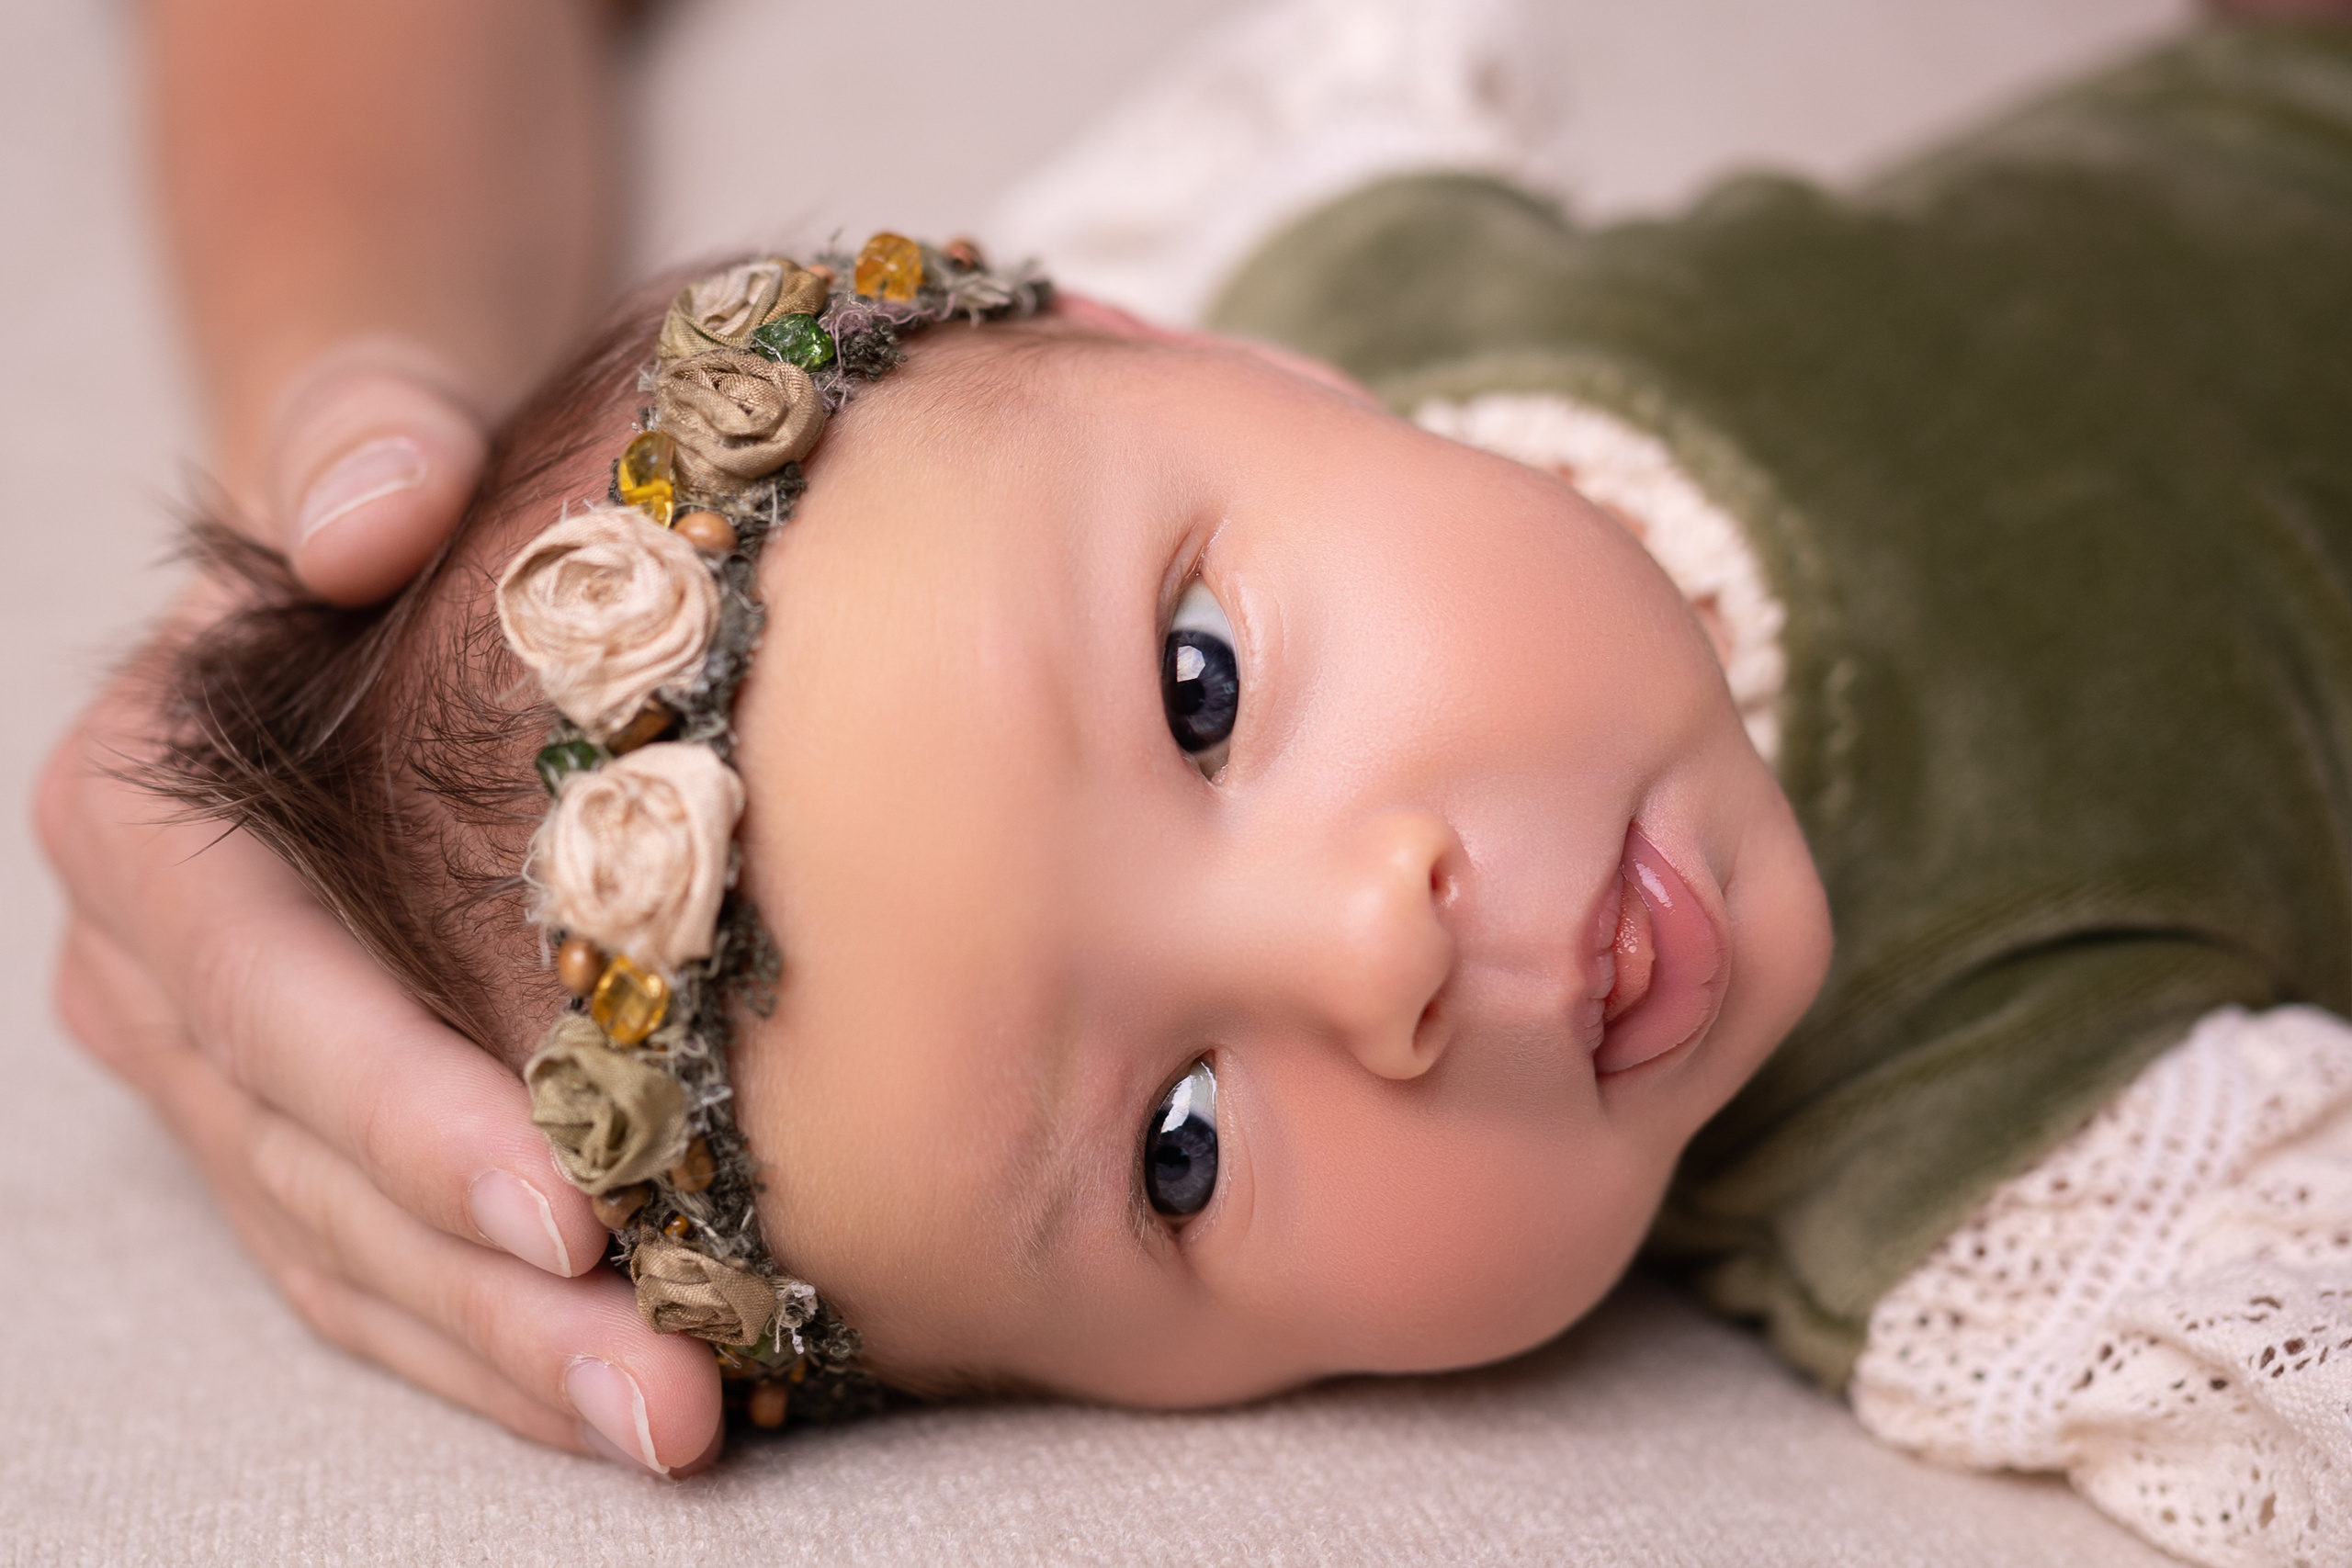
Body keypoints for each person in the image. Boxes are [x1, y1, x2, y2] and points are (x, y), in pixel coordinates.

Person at [40, 3, 2352, 1562]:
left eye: (1201, 683)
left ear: (1212, 342)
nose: (1381, 946)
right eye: (1179, 1147)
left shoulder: (1360, 268)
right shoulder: (1996, 1158)